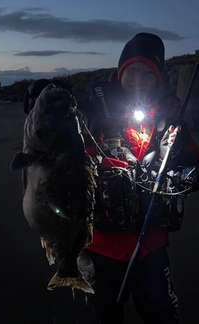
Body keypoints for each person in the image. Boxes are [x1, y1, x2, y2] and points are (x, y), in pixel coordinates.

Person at [75, 33, 199, 324]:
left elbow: (195, 166)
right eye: (132, 70)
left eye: (148, 73)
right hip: (101, 245)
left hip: (150, 244)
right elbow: (63, 157)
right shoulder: (91, 110)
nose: (139, 80)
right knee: (107, 315)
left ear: (158, 77)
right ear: (121, 71)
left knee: (163, 316)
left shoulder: (170, 119)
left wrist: (181, 177)